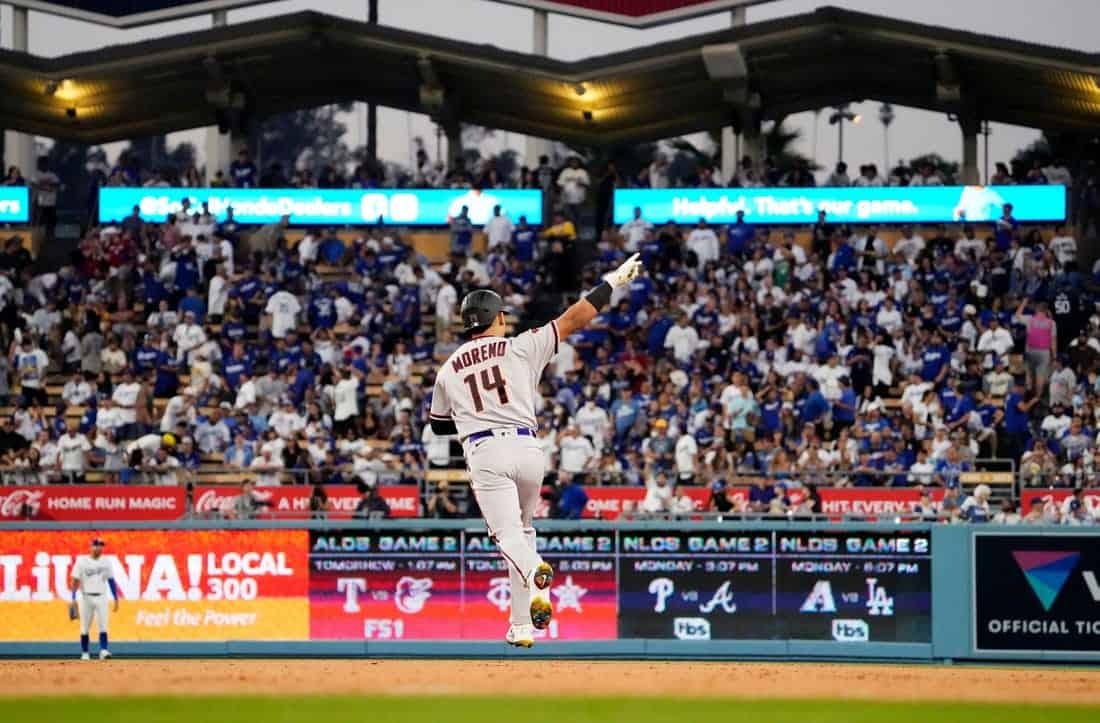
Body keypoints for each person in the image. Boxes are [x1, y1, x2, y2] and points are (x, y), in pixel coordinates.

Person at [428, 253, 642, 648]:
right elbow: (575, 317)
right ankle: (521, 625)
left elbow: (438, 427)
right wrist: (613, 282)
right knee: (524, 531)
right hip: (529, 447)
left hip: (485, 450)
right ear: (500, 319)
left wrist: (470, 413)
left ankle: (534, 567)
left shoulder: (449, 368)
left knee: (509, 537)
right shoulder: (520, 346)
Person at [69, 537, 118, 660]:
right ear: (91, 547)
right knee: (85, 627)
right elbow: (75, 580)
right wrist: (73, 597)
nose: (99, 547)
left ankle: (103, 650)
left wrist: (116, 597)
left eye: (101, 545)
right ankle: (85, 653)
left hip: (101, 596)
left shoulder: (106, 562)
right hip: (86, 597)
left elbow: (111, 580)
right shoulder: (82, 561)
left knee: (103, 625)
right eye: (96, 545)